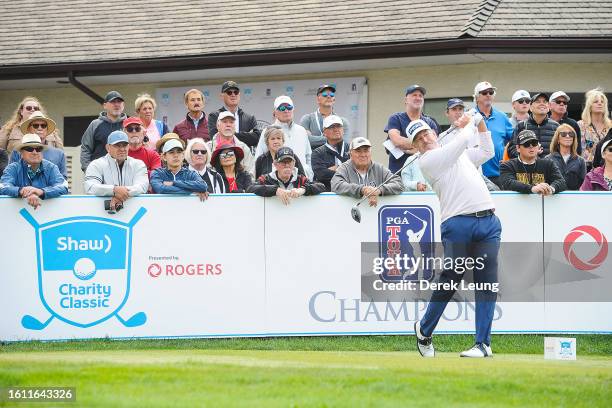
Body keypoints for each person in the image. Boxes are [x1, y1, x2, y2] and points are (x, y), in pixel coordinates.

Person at [407, 117, 501, 358]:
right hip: (457, 223)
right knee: (451, 277)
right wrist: (470, 120)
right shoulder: (428, 161)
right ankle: (424, 329)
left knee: (487, 282)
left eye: (426, 134)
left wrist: (480, 124)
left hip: (488, 221)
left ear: (434, 133)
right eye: (418, 139)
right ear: (416, 147)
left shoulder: (458, 154)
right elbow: (462, 141)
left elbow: (487, 150)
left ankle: (483, 344)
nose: (425, 139)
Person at [84, 131, 149, 212]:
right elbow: (90, 187)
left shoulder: (138, 164)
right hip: (101, 214)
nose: (122, 149)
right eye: (117, 145)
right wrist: (113, 190)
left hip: (133, 211)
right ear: (108, 148)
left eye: (125, 145)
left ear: (128, 146)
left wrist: (119, 193)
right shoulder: (96, 164)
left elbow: (142, 187)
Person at [0, 134, 68, 209]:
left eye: (38, 149)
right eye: (29, 149)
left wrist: (41, 191)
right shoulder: (12, 168)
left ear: (42, 152)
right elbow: (3, 186)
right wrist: (22, 191)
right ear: (21, 153)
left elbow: (63, 186)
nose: (35, 152)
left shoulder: (51, 167)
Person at [331, 137, 404, 207]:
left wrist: (379, 190)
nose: (363, 155)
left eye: (366, 150)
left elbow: (399, 184)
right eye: (358, 151)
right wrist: (362, 190)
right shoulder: (344, 168)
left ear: (370, 153)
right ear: (350, 154)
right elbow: (336, 185)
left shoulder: (379, 168)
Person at [384, 85, 440, 173]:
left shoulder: (430, 122)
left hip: (424, 174)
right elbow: (397, 141)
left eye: (420, 96)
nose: (418, 98)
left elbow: (434, 146)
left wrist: (406, 149)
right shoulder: (396, 118)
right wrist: (422, 146)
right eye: (414, 95)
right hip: (399, 174)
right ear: (406, 100)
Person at [255, 95, 314, 180]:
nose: (286, 110)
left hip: (300, 182)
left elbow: (308, 157)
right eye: (282, 108)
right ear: (275, 112)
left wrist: (309, 175)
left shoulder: (301, 130)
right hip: (275, 184)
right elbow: (259, 158)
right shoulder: (267, 131)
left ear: (293, 109)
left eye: (289, 107)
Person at [468, 81, 514, 187]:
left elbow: (513, 142)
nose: (488, 95)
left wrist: (509, 160)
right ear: (477, 97)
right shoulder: (468, 116)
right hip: (474, 173)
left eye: (491, 92)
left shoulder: (502, 116)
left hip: (500, 174)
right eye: (484, 93)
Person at [248, 146, 325, 204]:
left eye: (289, 162)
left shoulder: (301, 179)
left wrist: (302, 189)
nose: (287, 165)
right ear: (275, 164)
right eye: (283, 162)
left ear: (294, 163)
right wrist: (275, 190)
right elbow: (250, 188)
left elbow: (321, 186)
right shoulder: (266, 178)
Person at [499, 130, 566, 195]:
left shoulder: (548, 164)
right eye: (526, 144)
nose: (531, 147)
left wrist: (550, 189)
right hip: (516, 205)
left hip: (543, 204)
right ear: (518, 148)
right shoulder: (507, 165)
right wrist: (532, 189)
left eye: (534, 143)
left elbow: (561, 181)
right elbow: (508, 183)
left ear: (538, 146)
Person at [80, 91, 127, 171]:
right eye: (113, 102)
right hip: (99, 172)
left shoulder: (129, 125)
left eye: (119, 101)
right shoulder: (95, 124)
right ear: (105, 105)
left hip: (123, 172)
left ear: (123, 105)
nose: (116, 104)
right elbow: (86, 148)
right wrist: (88, 169)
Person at [11, 111, 67, 179]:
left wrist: (44, 190)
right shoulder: (17, 152)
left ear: (47, 129)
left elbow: (63, 181)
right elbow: (11, 177)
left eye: (43, 126)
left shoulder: (59, 154)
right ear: (28, 129)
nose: (40, 128)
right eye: (35, 125)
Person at [208, 81, 261, 149]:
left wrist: (227, 134)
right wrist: (247, 135)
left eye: (236, 92)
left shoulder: (250, 118)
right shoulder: (214, 116)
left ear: (239, 95)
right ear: (222, 96)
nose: (233, 95)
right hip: (223, 156)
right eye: (229, 92)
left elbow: (256, 138)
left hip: (244, 157)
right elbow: (215, 138)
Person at [508, 93, 559, 158]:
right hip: (527, 167)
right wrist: (529, 155)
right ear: (531, 108)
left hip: (551, 167)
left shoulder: (556, 126)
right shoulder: (521, 126)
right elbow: (512, 150)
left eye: (545, 102)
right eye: (538, 102)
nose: (542, 104)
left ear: (548, 107)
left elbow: (561, 151)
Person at [300, 84, 350, 149]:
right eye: (325, 95)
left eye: (331, 95)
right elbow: (305, 140)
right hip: (314, 158)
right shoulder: (307, 119)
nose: (329, 97)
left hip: (334, 158)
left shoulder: (343, 121)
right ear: (318, 99)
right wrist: (333, 138)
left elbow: (344, 143)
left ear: (334, 100)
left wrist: (315, 138)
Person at [311, 115, 350, 191]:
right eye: (331, 127)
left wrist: (336, 169)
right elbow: (321, 175)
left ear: (343, 130)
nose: (336, 129)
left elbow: (358, 170)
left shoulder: (352, 149)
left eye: (339, 126)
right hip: (327, 195)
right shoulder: (317, 152)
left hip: (350, 193)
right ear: (324, 132)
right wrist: (346, 171)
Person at [578, 88, 612, 168]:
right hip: (588, 170)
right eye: (596, 102)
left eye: (602, 102)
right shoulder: (581, 125)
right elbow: (580, 151)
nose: (600, 103)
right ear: (589, 106)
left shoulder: (610, 126)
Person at [546, 124, 586, 190]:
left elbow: (583, 185)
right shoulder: (548, 159)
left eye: (571, 134)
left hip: (573, 197)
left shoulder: (580, 161)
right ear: (557, 139)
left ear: (574, 139)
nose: (568, 136)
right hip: (554, 197)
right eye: (563, 134)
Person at [549, 91, 582, 155]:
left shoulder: (573, 124)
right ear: (550, 105)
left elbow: (578, 148)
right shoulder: (544, 122)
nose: (562, 104)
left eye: (565, 102)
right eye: (558, 102)